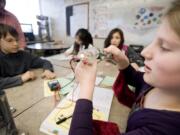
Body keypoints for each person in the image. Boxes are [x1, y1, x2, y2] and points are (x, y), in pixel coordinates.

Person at [69, 1, 180, 135]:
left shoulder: (164, 129)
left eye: (165, 47)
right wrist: (124, 63)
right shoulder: (157, 86)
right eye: (154, 40)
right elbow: (137, 79)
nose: (145, 52)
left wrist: (86, 87)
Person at [0, 24, 56, 89]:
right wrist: (21, 78)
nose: (16, 44)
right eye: (10, 40)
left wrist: (47, 70)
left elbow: (44, 62)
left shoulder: (24, 55)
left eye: (17, 40)